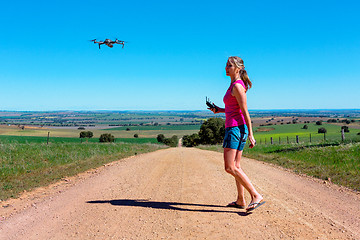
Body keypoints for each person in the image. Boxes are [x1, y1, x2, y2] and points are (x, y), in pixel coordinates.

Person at [209, 56, 265, 212]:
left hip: (235, 129)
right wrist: (219, 110)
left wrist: (251, 134)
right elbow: (234, 109)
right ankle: (241, 200)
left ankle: (255, 195)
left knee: (229, 167)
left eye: (229, 66)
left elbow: (245, 112)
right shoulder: (233, 85)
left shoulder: (237, 87)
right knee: (237, 166)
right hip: (235, 128)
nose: (226, 68)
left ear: (238, 68)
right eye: (226, 65)